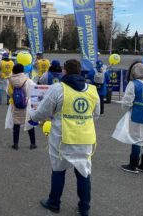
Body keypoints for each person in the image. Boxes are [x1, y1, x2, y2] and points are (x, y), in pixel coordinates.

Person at [30, 59, 100, 216]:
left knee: (58, 169)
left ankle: (54, 202)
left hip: (62, 137)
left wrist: (33, 116)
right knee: (84, 172)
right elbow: (95, 114)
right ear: (80, 71)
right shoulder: (92, 90)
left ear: (65, 71)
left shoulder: (58, 89)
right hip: (85, 137)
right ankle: (84, 208)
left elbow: (43, 111)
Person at [6, 63, 37, 150]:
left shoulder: (10, 81)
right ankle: (33, 143)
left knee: (16, 124)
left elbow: (8, 92)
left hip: (15, 104)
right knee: (29, 123)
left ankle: (15, 144)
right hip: (26, 104)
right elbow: (34, 90)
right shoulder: (27, 80)